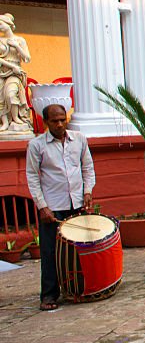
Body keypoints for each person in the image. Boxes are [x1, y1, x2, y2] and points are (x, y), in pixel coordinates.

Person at [25, 104, 95, 310]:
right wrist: (42, 205)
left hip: (77, 202)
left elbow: (87, 167)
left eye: (63, 119)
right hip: (53, 206)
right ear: (46, 122)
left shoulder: (79, 139)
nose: (59, 124)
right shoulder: (36, 145)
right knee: (50, 252)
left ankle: (78, 288)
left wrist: (88, 191)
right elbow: (32, 177)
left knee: (79, 249)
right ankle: (49, 295)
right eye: (54, 121)